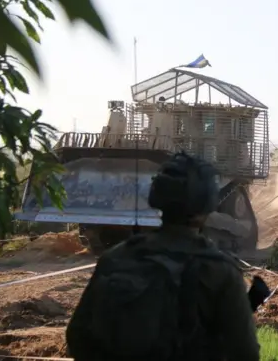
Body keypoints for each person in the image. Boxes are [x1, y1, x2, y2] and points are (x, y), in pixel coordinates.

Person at [66, 152, 260, 361]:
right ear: (207, 204)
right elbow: (245, 353)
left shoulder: (116, 258)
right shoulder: (221, 272)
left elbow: (77, 336)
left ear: (157, 197)